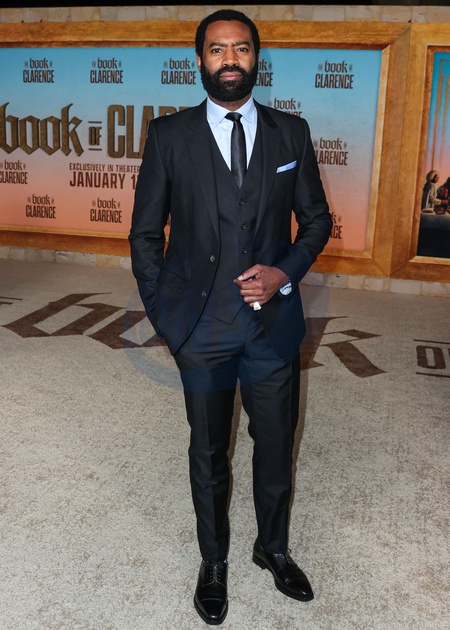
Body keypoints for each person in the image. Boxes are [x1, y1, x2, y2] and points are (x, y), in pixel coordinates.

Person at [129, 9, 332, 625]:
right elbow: (145, 234)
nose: (229, 60)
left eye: (240, 48)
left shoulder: (291, 132)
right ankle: (213, 562)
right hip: (202, 328)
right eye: (217, 50)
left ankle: (272, 548)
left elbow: (317, 221)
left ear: (256, 58)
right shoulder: (168, 135)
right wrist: (166, 316)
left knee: (275, 445)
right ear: (200, 60)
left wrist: (284, 272)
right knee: (208, 451)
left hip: (273, 326)